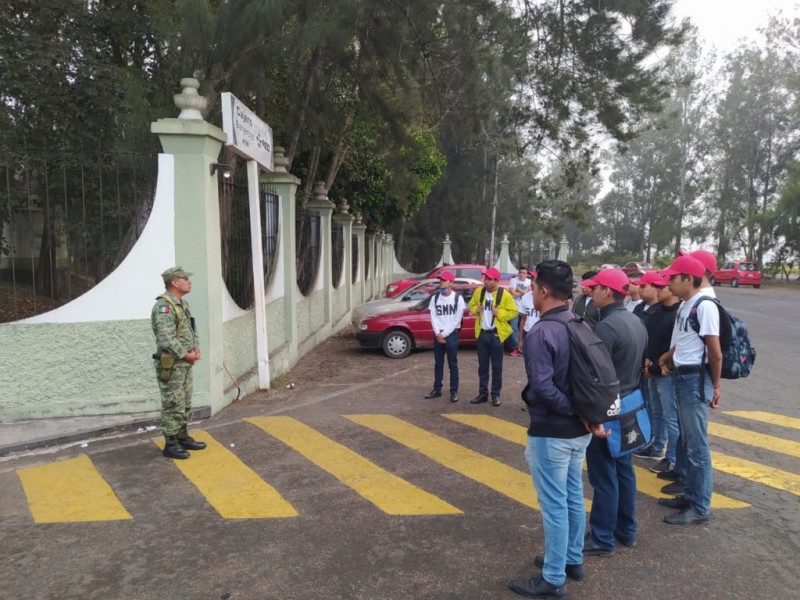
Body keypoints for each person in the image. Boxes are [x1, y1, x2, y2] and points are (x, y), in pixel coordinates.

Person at [508, 260, 607, 599]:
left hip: (553, 431)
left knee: (554, 505)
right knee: (572, 497)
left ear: (544, 290)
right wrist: (584, 415)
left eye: (534, 288)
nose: (532, 293)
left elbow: (541, 388)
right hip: (579, 432)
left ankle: (553, 578)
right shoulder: (579, 323)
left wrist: (574, 411)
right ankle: (571, 559)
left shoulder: (540, 332)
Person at [580, 269, 648, 555]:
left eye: (595, 287)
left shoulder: (606, 328)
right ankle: (626, 530)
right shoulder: (635, 321)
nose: (592, 292)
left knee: (603, 475)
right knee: (623, 470)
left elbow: (598, 376)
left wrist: (591, 414)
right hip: (632, 402)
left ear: (607, 291)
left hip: (610, 407)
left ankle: (602, 537)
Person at [658, 255, 722, 525]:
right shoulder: (687, 304)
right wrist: (668, 355)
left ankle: (700, 506)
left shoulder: (705, 306)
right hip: (682, 376)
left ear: (688, 279)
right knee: (686, 440)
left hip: (695, 380)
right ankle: (690, 492)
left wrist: (716, 386)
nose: (669, 282)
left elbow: (714, 352)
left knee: (697, 446)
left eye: (673, 277)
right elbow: (686, 339)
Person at [152, 267, 206, 459]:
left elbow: (192, 329)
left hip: (184, 364)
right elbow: (166, 338)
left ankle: (182, 437)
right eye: (185, 279)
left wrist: (196, 347)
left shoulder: (182, 304)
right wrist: (185, 354)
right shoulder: (163, 306)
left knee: (185, 401)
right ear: (174, 282)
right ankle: (171, 443)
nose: (189, 282)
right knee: (173, 403)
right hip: (173, 364)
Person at [631, 272, 679, 473]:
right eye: (657, 287)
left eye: (662, 288)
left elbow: (677, 345)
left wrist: (659, 365)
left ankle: (673, 457)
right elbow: (651, 339)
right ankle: (657, 446)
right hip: (652, 369)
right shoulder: (657, 311)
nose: (659, 291)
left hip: (666, 372)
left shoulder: (678, 312)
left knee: (670, 416)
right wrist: (648, 361)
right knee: (655, 410)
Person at [468, 267, 518, 407]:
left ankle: (495, 394)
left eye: (490, 279)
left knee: (497, 367)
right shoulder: (479, 292)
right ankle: (482, 393)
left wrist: (500, 313)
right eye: (485, 279)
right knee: (482, 367)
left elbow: (514, 311)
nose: (486, 282)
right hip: (482, 334)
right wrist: (475, 310)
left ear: (496, 280)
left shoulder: (504, 294)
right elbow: (471, 306)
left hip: (496, 335)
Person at [425, 271, 465, 403]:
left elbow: (456, 320)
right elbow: (433, 317)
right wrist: (437, 333)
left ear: (451, 283)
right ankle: (437, 388)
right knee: (438, 364)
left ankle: (454, 391)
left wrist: (443, 334)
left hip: (451, 335)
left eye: (444, 280)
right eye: (440, 280)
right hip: (438, 334)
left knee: (452, 364)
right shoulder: (435, 298)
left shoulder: (457, 299)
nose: (441, 282)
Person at [508, 266, 531, 356]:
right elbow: (513, 294)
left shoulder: (530, 282)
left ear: (526, 274)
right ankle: (516, 347)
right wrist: (525, 291)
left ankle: (523, 347)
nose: (522, 274)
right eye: (520, 272)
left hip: (526, 309)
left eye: (524, 273)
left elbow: (530, 294)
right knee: (513, 327)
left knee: (526, 328)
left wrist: (519, 290)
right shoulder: (513, 280)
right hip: (515, 308)